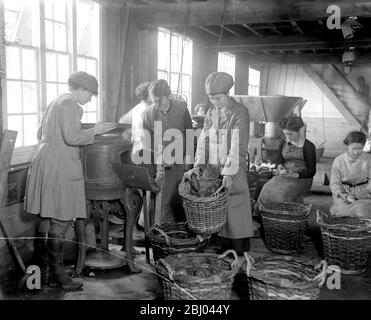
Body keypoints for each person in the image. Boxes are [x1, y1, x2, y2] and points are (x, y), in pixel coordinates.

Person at [24, 71, 116, 290]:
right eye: (90, 94)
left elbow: (41, 132)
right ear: (81, 89)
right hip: (60, 164)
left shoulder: (56, 101)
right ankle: (60, 278)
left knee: (48, 217)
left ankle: (45, 275)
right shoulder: (69, 104)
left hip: (45, 158)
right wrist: (95, 130)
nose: (90, 99)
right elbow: (72, 138)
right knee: (61, 219)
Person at [185, 71, 253, 255]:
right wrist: (198, 165)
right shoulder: (211, 113)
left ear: (227, 93)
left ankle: (239, 251)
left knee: (234, 210)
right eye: (211, 98)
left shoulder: (240, 112)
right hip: (212, 167)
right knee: (214, 210)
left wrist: (229, 173)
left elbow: (238, 146)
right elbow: (204, 141)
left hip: (233, 167)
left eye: (217, 98)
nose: (214, 102)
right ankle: (221, 248)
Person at [140, 79, 193, 224]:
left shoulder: (181, 108)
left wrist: (189, 164)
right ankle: (158, 230)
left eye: (158, 101)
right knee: (160, 199)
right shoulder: (148, 113)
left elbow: (189, 136)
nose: (156, 105)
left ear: (167, 96)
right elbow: (146, 142)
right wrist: (150, 166)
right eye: (153, 101)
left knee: (178, 197)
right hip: (160, 165)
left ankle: (179, 230)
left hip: (180, 163)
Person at [257, 115, 316, 205]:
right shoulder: (283, 142)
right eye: (285, 134)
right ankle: (265, 215)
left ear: (299, 131)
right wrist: (280, 168)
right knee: (266, 188)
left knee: (283, 193)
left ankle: (282, 215)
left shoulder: (308, 146)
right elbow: (279, 160)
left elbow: (311, 171)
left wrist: (295, 175)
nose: (287, 137)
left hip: (301, 178)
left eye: (290, 134)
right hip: (285, 175)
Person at [329, 131, 371, 218]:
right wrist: (343, 195)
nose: (356, 152)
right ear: (347, 146)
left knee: (362, 211)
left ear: (364, 146)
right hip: (344, 193)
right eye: (353, 148)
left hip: (364, 194)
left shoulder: (368, 159)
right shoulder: (339, 160)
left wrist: (365, 192)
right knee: (342, 212)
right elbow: (334, 183)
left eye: (359, 148)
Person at [119, 81, 152, 154]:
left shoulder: (138, 107)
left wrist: (132, 130)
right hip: (145, 147)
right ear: (147, 96)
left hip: (137, 146)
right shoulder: (148, 109)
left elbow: (122, 120)